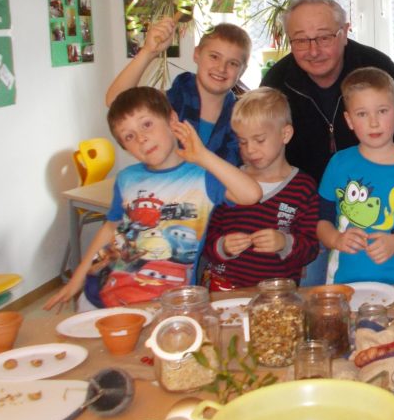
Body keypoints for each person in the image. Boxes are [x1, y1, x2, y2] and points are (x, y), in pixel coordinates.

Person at [45, 87, 261, 310]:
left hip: (166, 301)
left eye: (146, 124)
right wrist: (77, 277)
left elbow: (251, 194)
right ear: (125, 147)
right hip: (100, 294)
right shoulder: (126, 178)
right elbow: (111, 227)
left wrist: (203, 156)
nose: (141, 138)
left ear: (171, 119)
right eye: (129, 136)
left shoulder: (202, 175)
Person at [260, 0, 394, 184]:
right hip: (303, 198)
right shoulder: (276, 83)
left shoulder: (379, 70)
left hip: (377, 191)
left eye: (325, 38)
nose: (314, 51)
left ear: (344, 33)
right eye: (301, 40)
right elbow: (264, 152)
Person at [317, 68, 394, 287]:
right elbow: (321, 221)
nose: (373, 122)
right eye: (362, 114)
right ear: (349, 120)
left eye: (382, 111)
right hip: (347, 284)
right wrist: (336, 239)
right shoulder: (338, 164)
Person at [201, 88, 319, 289]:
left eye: (259, 140)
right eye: (242, 142)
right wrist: (223, 246)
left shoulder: (303, 188)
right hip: (225, 289)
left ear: (285, 134)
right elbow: (206, 238)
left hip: (278, 294)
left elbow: (311, 249)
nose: (250, 150)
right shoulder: (230, 182)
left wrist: (284, 242)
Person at [106, 17, 251, 164]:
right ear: (197, 54)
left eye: (233, 63)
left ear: (243, 70)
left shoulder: (244, 118)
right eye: (214, 57)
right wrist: (148, 52)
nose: (221, 68)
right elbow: (115, 101)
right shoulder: (171, 101)